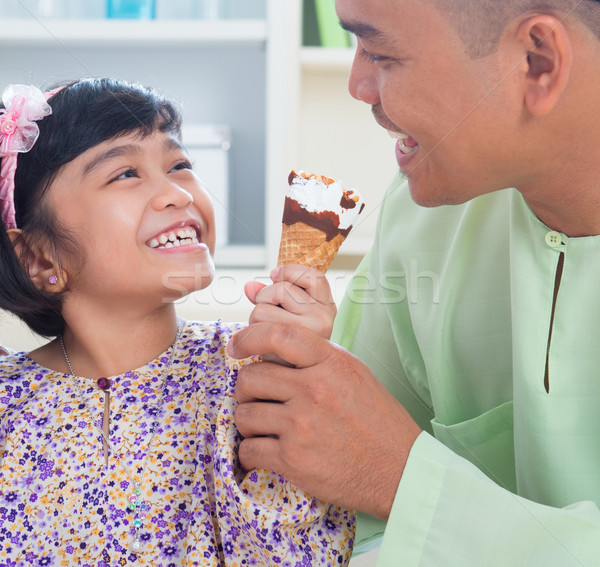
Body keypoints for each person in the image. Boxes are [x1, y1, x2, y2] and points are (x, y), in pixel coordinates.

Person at [229, 0, 600, 564]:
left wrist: (403, 479)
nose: (357, 86)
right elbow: (348, 517)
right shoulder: (424, 213)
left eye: (381, 53)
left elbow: (373, 474)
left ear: (536, 60)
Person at [0, 78, 355, 565]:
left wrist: (289, 375)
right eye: (125, 173)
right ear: (39, 258)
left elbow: (298, 554)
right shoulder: (8, 403)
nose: (176, 194)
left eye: (180, 165)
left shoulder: (248, 378)